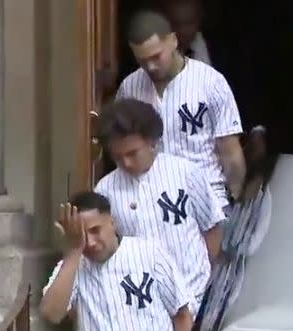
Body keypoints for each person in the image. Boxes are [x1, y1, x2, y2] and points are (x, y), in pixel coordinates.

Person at [40, 191, 193, 331]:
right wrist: (74, 251)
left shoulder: (149, 254)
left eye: (95, 230)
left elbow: (182, 315)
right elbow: (52, 313)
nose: (91, 242)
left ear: (112, 222)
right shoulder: (73, 266)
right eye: (82, 235)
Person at [94, 98, 226, 317]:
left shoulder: (185, 173)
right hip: (143, 305)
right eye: (118, 157)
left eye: (132, 153)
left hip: (195, 296)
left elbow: (212, 228)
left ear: (152, 142)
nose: (126, 163)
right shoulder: (106, 190)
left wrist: (208, 282)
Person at [116, 10, 246, 209]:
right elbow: (122, 150)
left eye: (156, 56)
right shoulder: (129, 88)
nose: (150, 66)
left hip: (206, 200)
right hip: (151, 203)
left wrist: (237, 203)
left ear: (173, 41)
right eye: (142, 61)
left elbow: (230, 153)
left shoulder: (211, 82)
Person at [163, 0, 212, 65]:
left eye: (188, 24)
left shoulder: (221, 52)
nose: (181, 30)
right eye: (175, 24)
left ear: (199, 19)